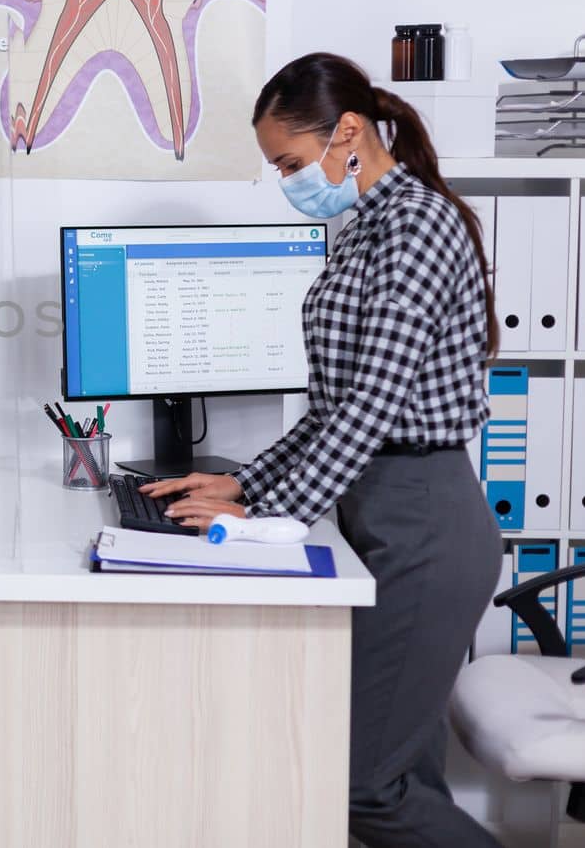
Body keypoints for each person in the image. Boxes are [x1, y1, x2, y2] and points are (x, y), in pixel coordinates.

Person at [145, 53, 502, 847]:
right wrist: (242, 484)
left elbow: (375, 403)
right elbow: (333, 407)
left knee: (360, 787)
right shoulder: (362, 229)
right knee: (403, 774)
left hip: (425, 520)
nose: (286, 180)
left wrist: (269, 517)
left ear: (347, 133)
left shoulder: (416, 225)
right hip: (381, 510)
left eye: (291, 161)